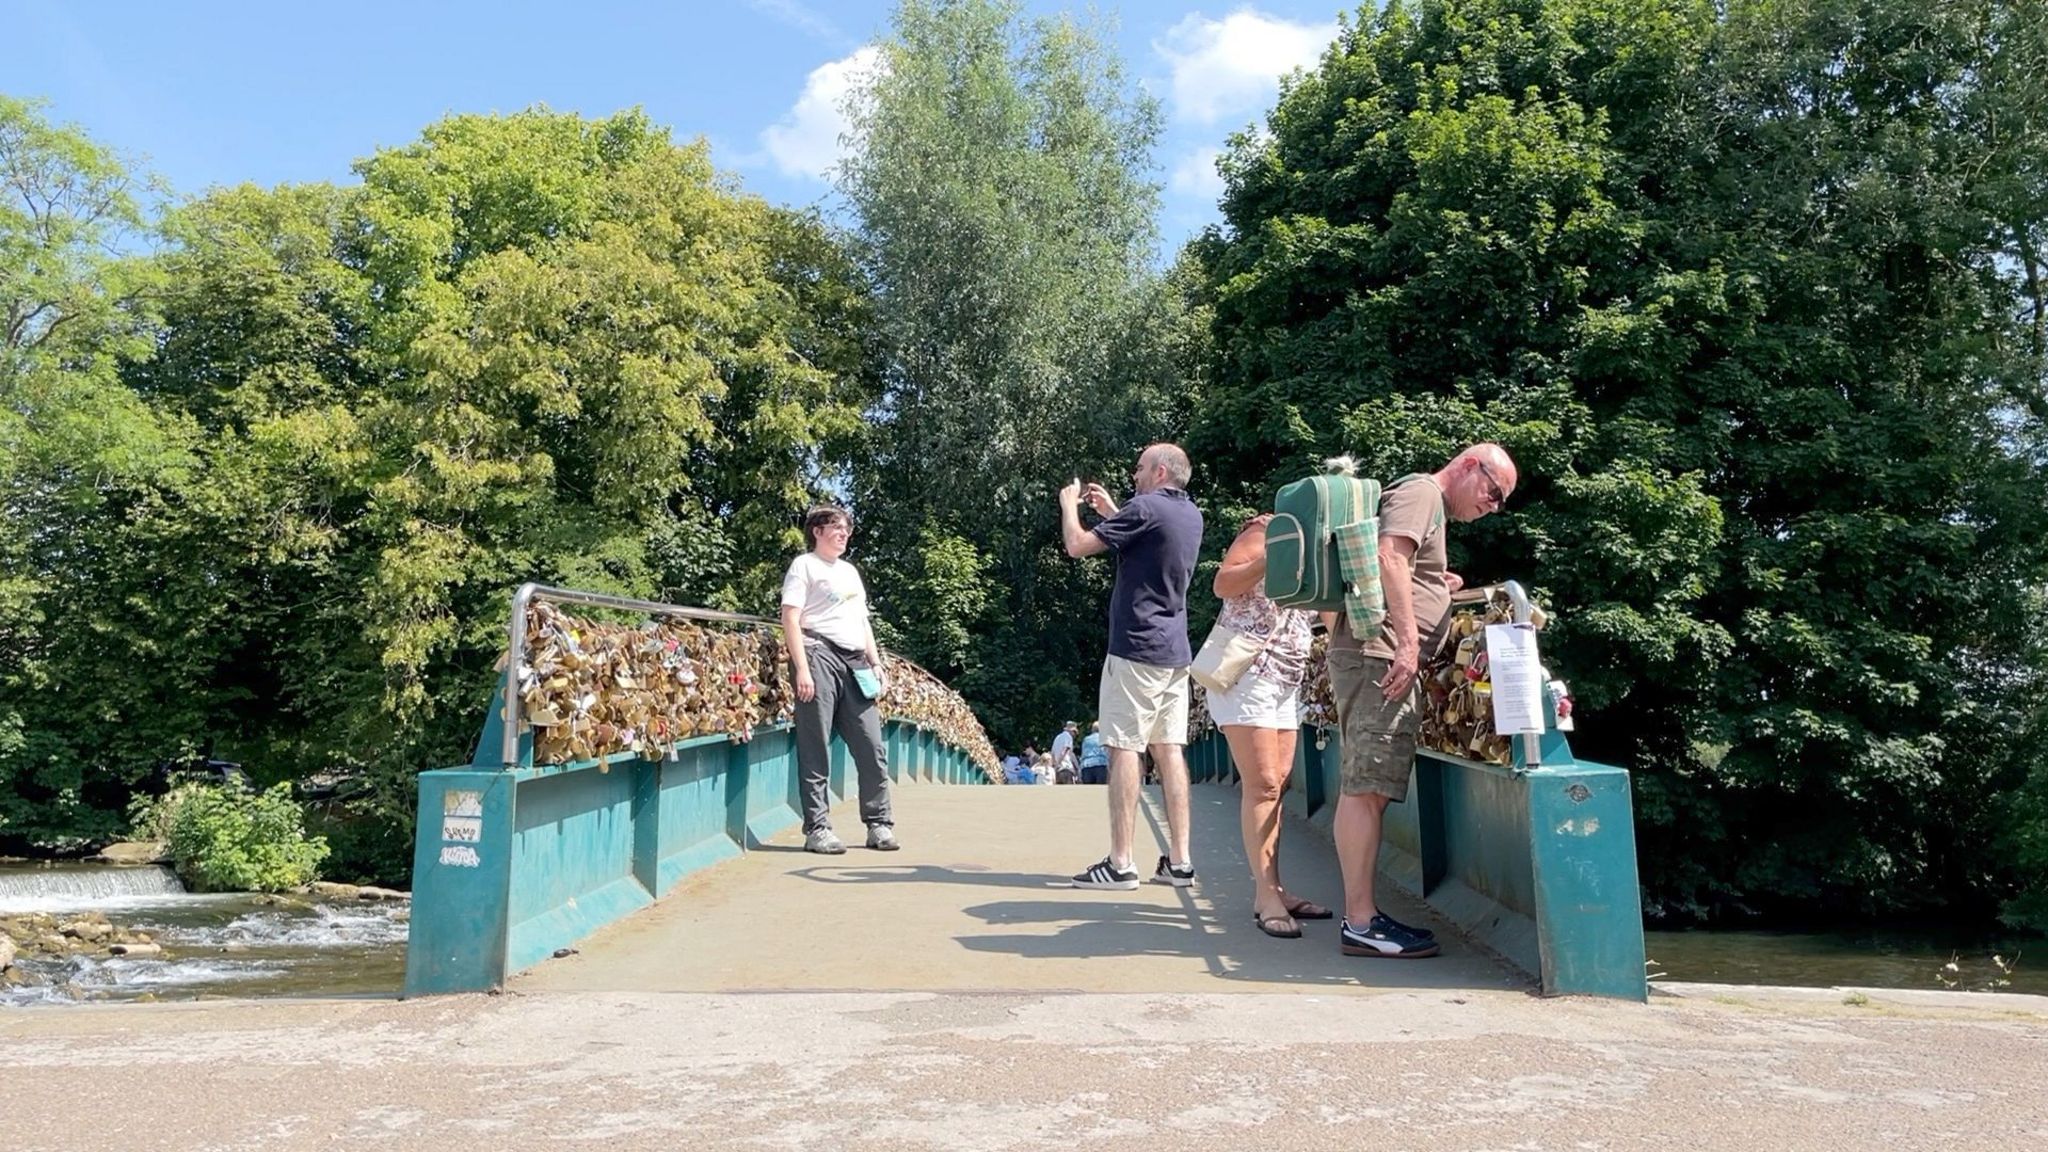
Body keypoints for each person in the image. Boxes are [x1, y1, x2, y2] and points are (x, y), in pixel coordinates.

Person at [1326, 444, 1517, 958]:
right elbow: (1391, 556)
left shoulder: (1425, 500)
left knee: (1366, 787)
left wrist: (1438, 585)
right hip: (1380, 658)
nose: (1493, 506)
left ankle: (1361, 918)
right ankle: (1360, 923)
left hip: (1372, 656)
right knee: (1366, 788)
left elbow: (1403, 567)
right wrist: (1409, 645)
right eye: (1494, 493)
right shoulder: (1422, 492)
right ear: (1470, 466)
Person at [1057, 443, 1204, 889]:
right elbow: (1148, 541)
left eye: (1140, 468)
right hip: (1174, 652)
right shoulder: (1189, 514)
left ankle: (1120, 863)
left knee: (1124, 747)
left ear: (1160, 471)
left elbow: (1077, 546)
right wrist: (1113, 511)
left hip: (1136, 647)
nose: (1135, 474)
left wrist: (1070, 507)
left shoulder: (1145, 507)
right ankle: (1180, 862)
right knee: (1169, 749)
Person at [1210, 512, 1329, 938]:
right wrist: (1274, 555)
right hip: (1249, 675)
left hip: (1287, 679)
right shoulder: (1267, 530)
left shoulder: (1323, 553)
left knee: (1277, 784)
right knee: (1262, 785)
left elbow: (1328, 616)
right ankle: (1266, 896)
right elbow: (1223, 584)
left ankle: (1274, 887)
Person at [780, 505, 898, 855]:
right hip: (818, 653)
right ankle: (817, 829)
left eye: (847, 528)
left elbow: (863, 623)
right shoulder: (804, 566)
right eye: (836, 528)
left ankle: (879, 824)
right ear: (817, 531)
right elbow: (790, 617)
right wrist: (801, 667)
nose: (844, 534)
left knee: (871, 745)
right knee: (816, 744)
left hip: (855, 660)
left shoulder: (849, 572)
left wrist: (876, 663)